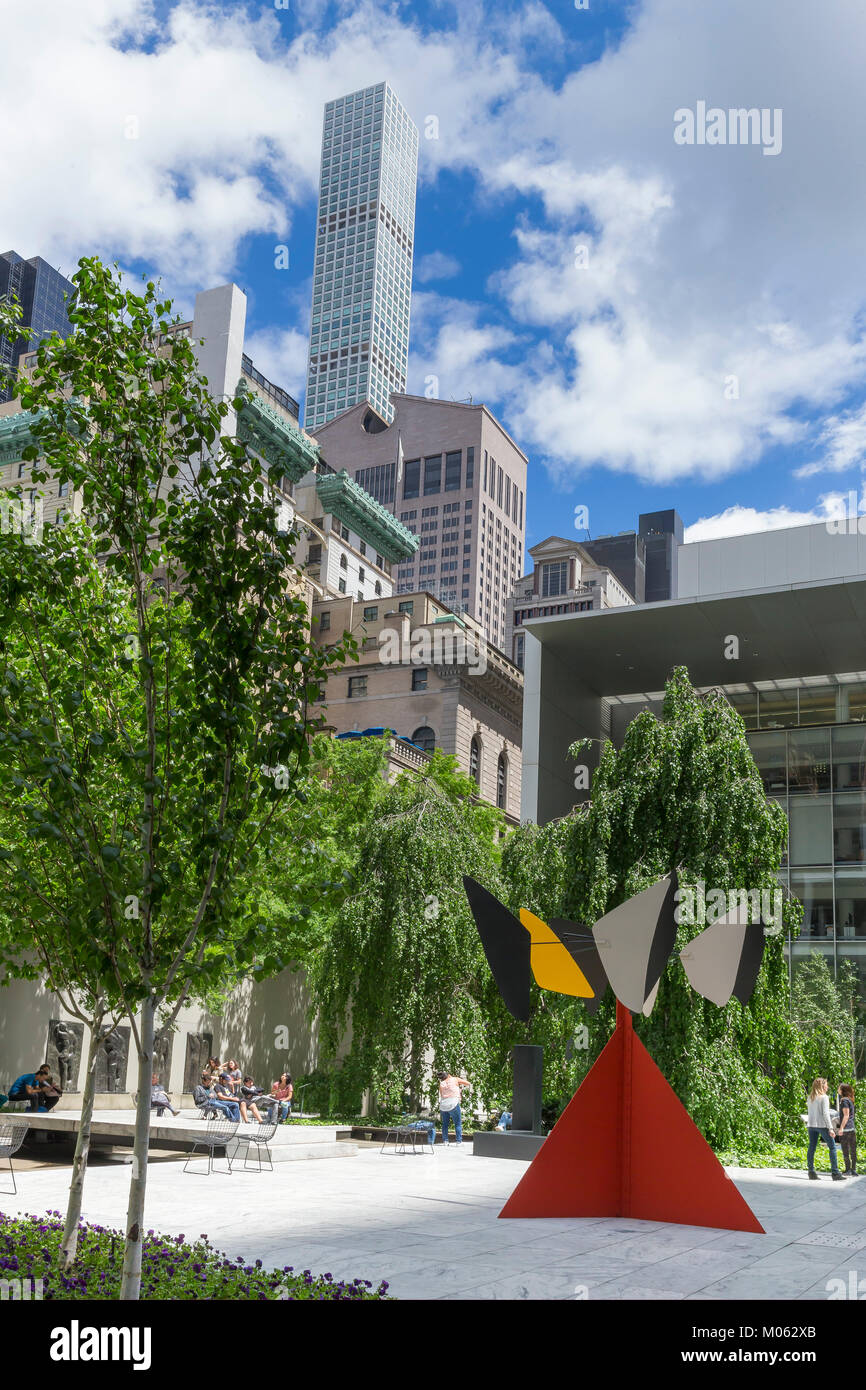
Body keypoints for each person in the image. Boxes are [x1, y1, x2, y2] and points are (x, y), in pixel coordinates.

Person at [807, 1077, 846, 1180]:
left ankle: (811, 1172)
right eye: (826, 1085)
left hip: (811, 1125)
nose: (827, 1087)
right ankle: (835, 1173)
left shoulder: (810, 1097)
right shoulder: (824, 1097)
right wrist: (831, 1128)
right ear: (822, 1086)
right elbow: (825, 1114)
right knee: (832, 1147)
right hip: (822, 1126)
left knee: (812, 1147)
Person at [438, 1069, 471, 1148]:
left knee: (445, 1124)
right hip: (453, 1103)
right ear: (449, 1075)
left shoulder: (441, 1083)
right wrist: (459, 1088)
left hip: (443, 1105)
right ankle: (458, 1142)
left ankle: (445, 1141)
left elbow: (442, 1094)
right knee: (457, 1123)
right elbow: (468, 1083)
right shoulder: (455, 1079)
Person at [835, 1084, 857, 1176]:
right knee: (853, 1150)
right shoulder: (850, 1100)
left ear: (842, 1090)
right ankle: (853, 1170)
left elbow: (846, 1115)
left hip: (846, 1129)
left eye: (839, 1088)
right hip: (852, 1128)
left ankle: (848, 1170)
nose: (838, 1089)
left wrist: (841, 1128)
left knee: (845, 1150)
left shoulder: (844, 1100)